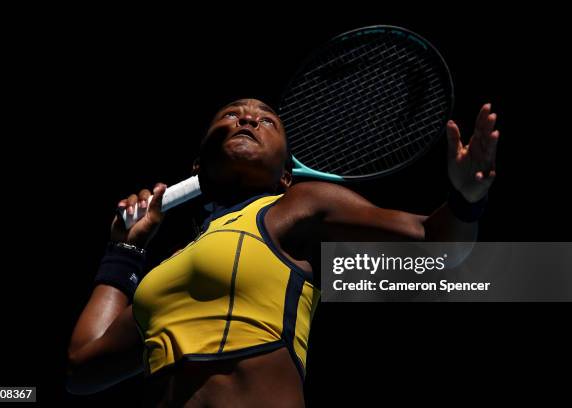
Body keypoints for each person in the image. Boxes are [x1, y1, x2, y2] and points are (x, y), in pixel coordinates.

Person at [67, 98, 499, 406]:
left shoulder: (299, 205)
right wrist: (126, 249)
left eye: (266, 120)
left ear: (286, 176)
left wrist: (465, 199)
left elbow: (437, 243)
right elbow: (82, 369)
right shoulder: (169, 271)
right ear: (198, 166)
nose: (248, 120)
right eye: (232, 114)